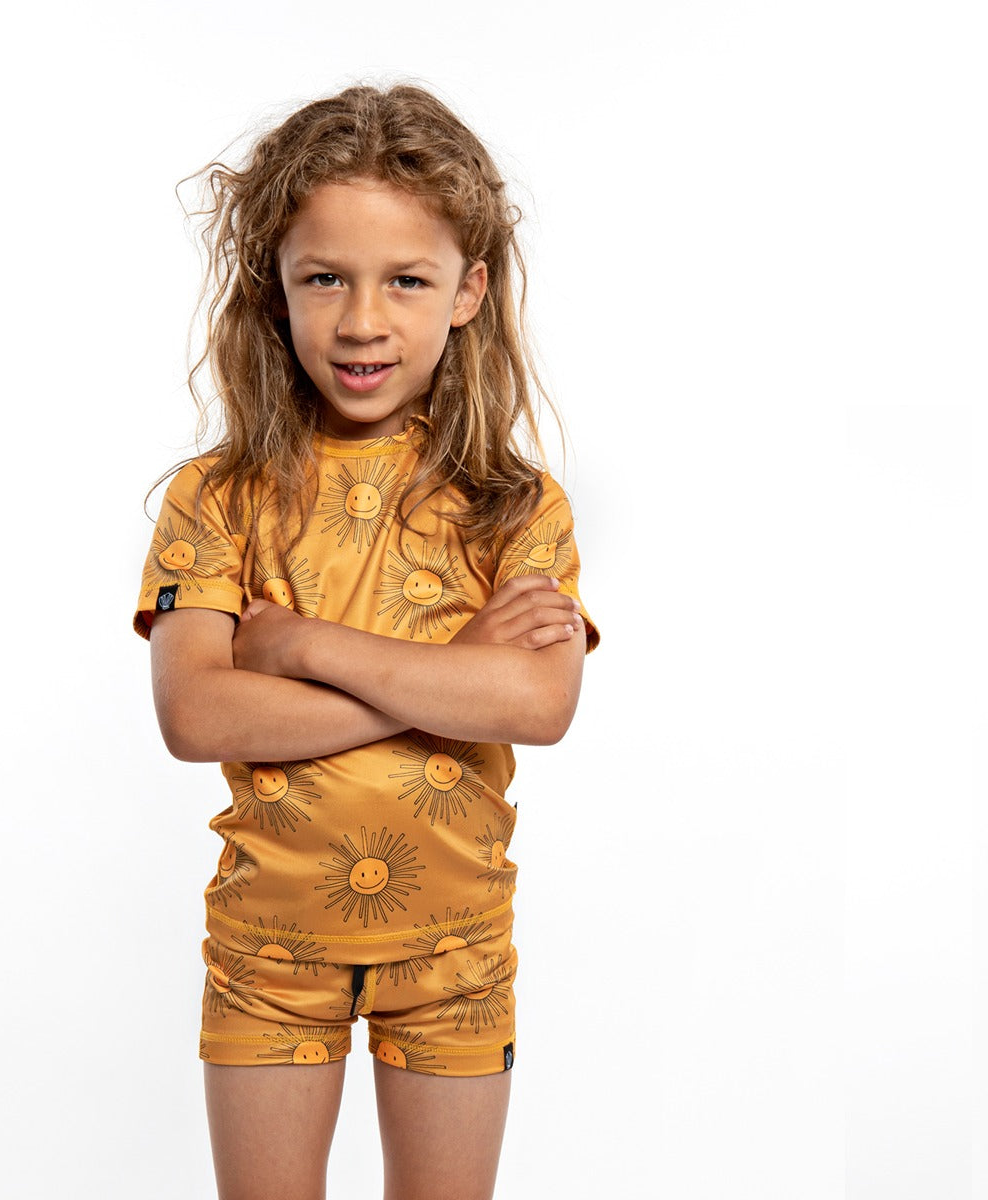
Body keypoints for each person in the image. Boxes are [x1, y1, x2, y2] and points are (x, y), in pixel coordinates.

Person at [134, 84, 600, 1200]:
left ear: (467, 291)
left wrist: (302, 645)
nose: (360, 321)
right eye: (325, 278)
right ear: (275, 284)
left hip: (457, 952)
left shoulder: (515, 506)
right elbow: (196, 715)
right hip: (267, 953)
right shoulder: (217, 498)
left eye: (406, 281)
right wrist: (453, 672)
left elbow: (538, 705)